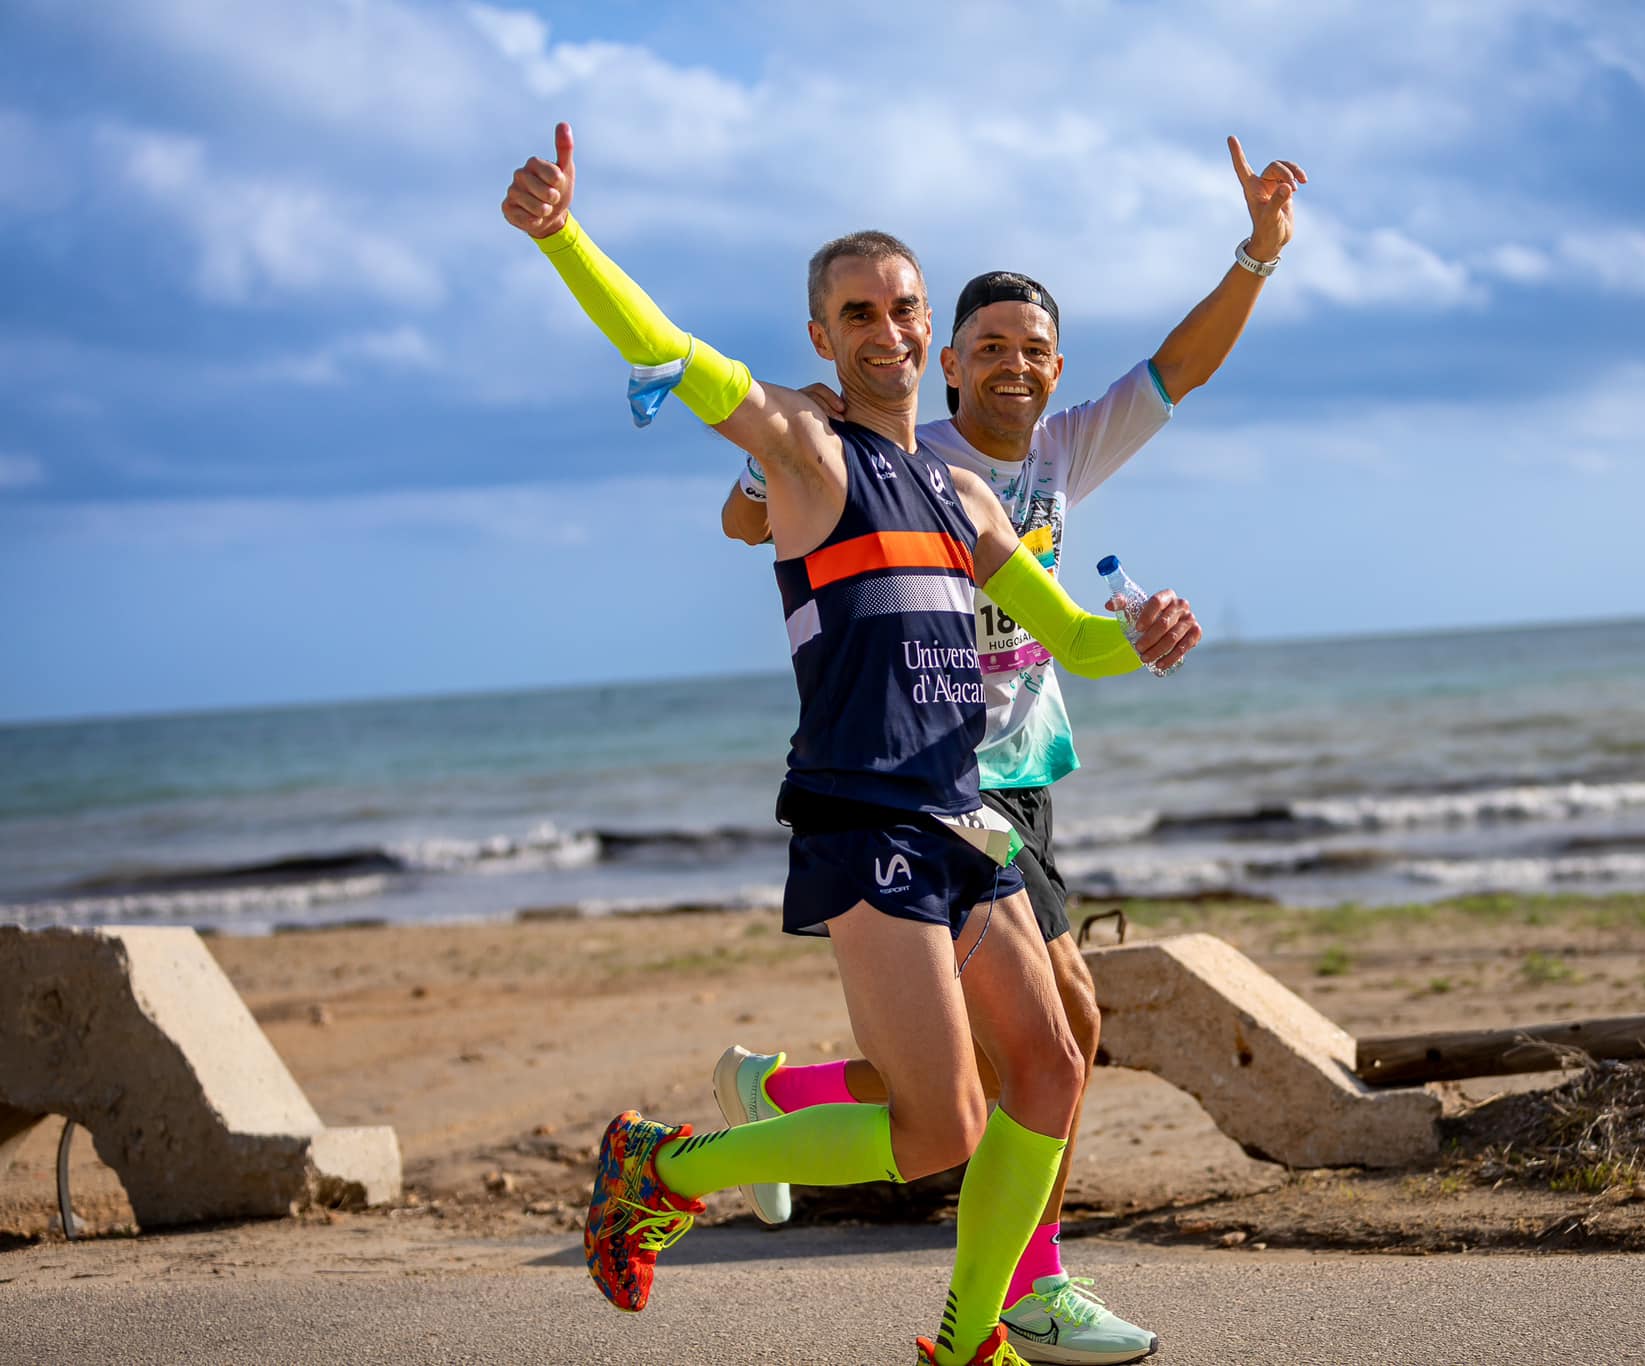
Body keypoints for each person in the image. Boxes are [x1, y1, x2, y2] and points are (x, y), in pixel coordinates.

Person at [501, 123, 1197, 1366]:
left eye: (906, 308)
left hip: (959, 808)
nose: (889, 332)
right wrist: (564, 236)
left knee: (1047, 1069)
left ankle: (966, 1340)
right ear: (821, 335)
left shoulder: (966, 492)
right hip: (860, 813)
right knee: (934, 1130)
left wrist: (1137, 631)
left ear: (929, 325)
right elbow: (662, 349)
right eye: (858, 312)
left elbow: (1073, 644)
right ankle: (660, 1164)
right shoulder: (802, 451)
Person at [709, 137, 1303, 1364]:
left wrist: (1257, 254)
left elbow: (1179, 369)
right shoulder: (899, 450)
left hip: (1021, 776)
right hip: (931, 778)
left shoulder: (1057, 454)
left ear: (1052, 366)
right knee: (1054, 1036)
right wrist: (769, 468)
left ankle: (790, 1098)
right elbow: (754, 508)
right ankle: (1021, 1286)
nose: (1011, 364)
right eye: (987, 346)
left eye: (1032, 348)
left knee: (1013, 1054)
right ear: (947, 359)